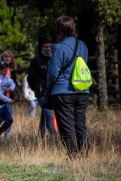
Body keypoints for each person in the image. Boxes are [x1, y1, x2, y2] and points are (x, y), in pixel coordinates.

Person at [47, 16, 90, 158]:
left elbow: (53, 73)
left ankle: (73, 155)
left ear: (59, 29)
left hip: (63, 91)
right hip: (83, 90)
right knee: (80, 124)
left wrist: (49, 88)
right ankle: (84, 154)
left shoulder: (59, 48)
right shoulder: (83, 45)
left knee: (67, 125)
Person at [27, 40, 56, 139]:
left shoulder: (55, 59)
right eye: (46, 47)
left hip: (53, 92)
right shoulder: (36, 60)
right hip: (42, 93)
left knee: (44, 115)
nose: (48, 49)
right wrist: (36, 89)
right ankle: (56, 140)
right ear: (42, 48)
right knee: (48, 115)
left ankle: (41, 138)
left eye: (50, 47)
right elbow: (29, 77)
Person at [0, 50, 18, 143]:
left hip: (9, 98)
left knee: (9, 119)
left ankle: (7, 139)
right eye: (5, 57)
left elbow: (15, 84)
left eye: (9, 57)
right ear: (2, 58)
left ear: (12, 59)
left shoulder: (12, 71)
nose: (7, 59)